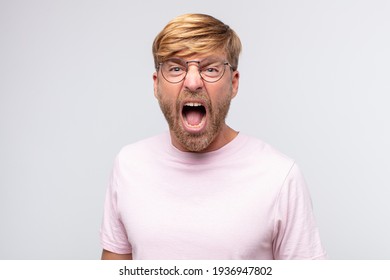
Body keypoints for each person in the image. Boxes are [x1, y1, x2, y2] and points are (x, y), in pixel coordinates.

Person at [100, 13, 326, 260]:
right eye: (176, 68)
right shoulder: (129, 164)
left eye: (210, 68)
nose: (193, 82)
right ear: (156, 85)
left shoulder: (280, 176)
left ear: (234, 83)